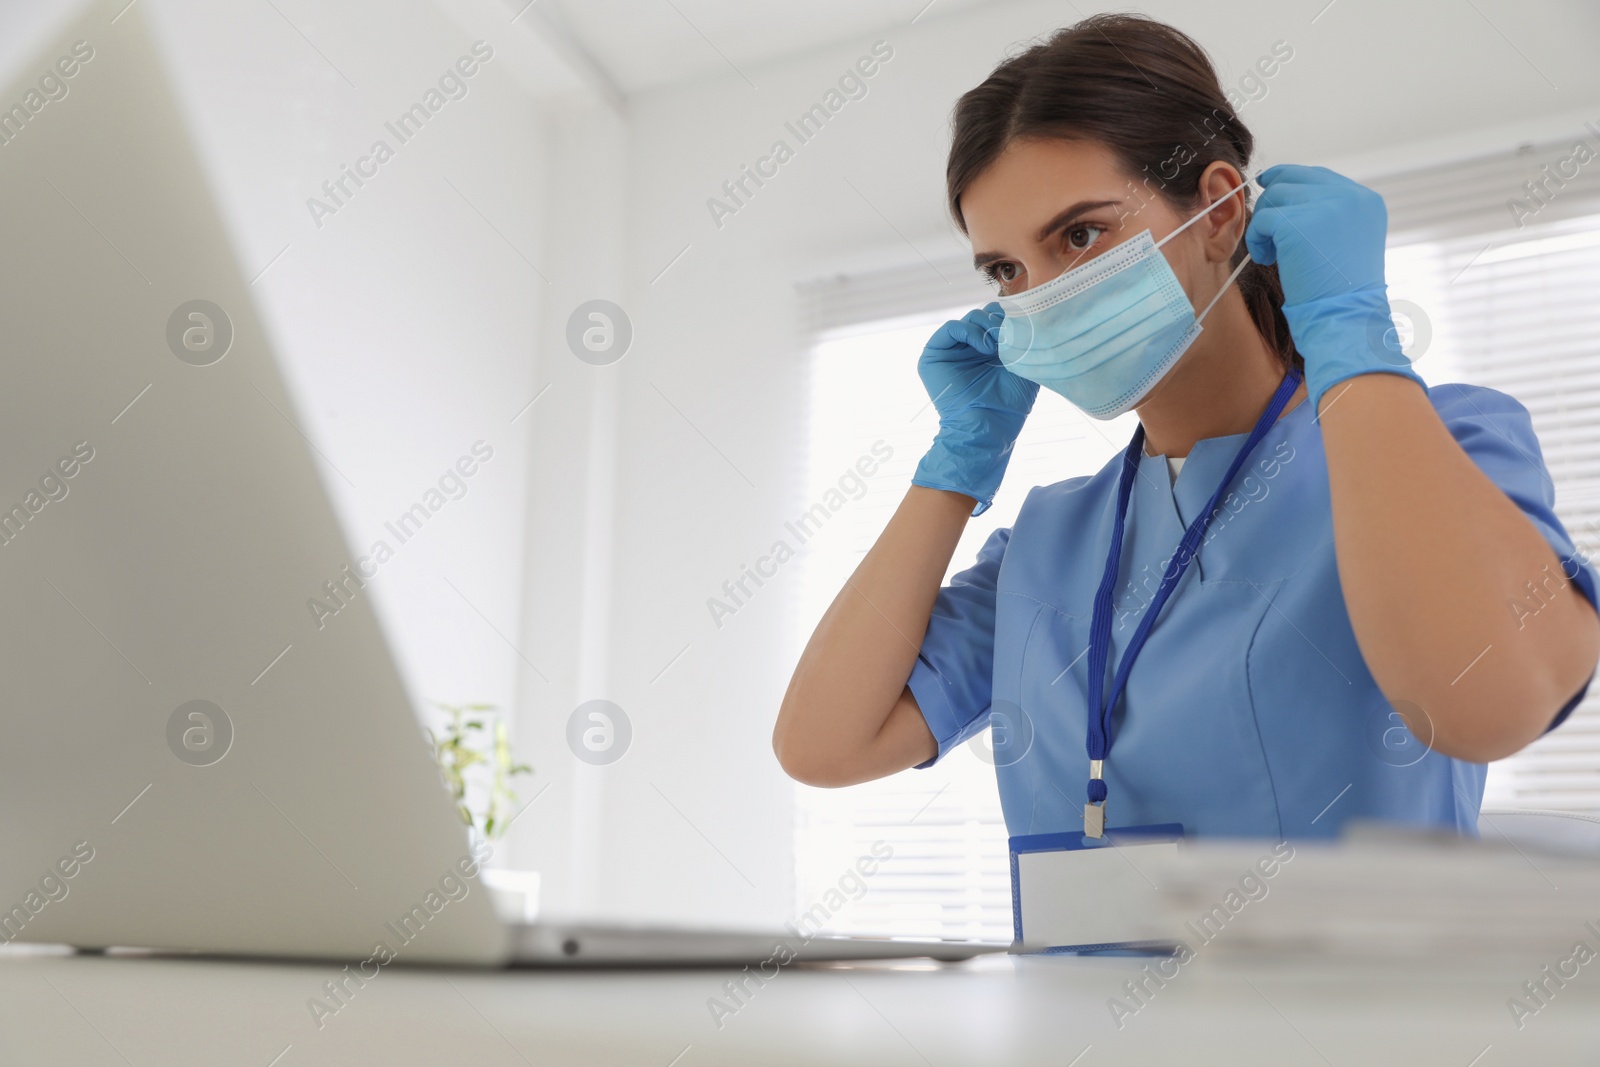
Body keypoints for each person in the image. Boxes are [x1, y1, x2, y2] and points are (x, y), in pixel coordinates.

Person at [771, 14, 1600, 840]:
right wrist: (956, 465)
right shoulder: (1046, 545)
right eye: (1007, 270)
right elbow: (822, 745)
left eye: (1080, 235)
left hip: (1367, 976)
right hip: (1069, 981)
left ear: (1218, 211)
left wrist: (1350, 333)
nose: (1041, 296)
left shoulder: (1442, 440)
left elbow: (1493, 706)